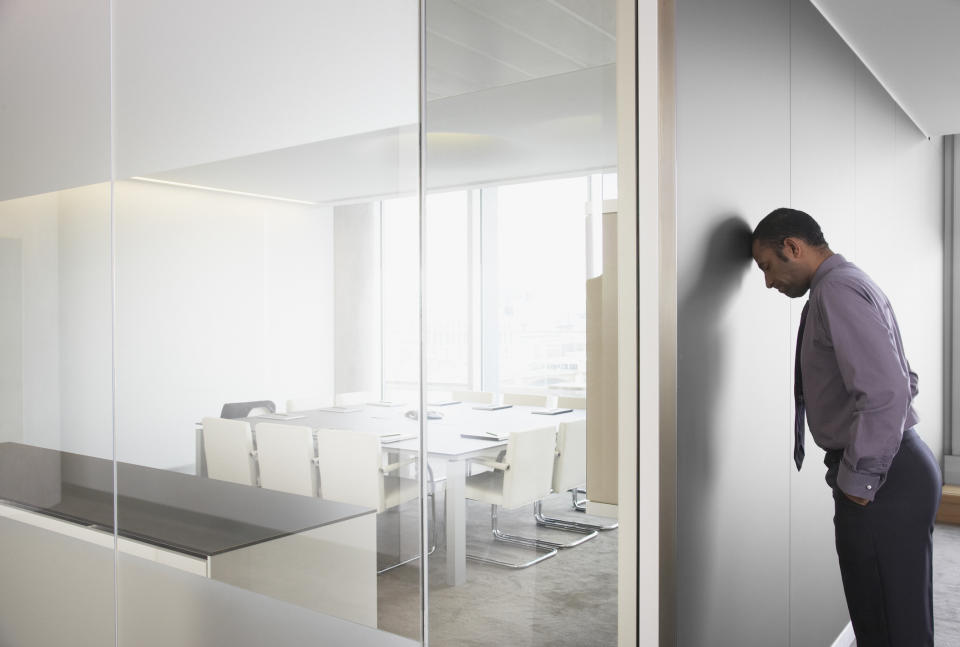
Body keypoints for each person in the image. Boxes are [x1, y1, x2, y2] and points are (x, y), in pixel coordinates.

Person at [751, 207, 942, 646]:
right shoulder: (851, 282)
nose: (767, 281)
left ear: (792, 247)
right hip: (895, 467)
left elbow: (887, 391)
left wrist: (857, 483)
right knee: (898, 615)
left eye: (767, 266)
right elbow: (902, 378)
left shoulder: (835, 291)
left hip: (882, 479)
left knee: (886, 622)